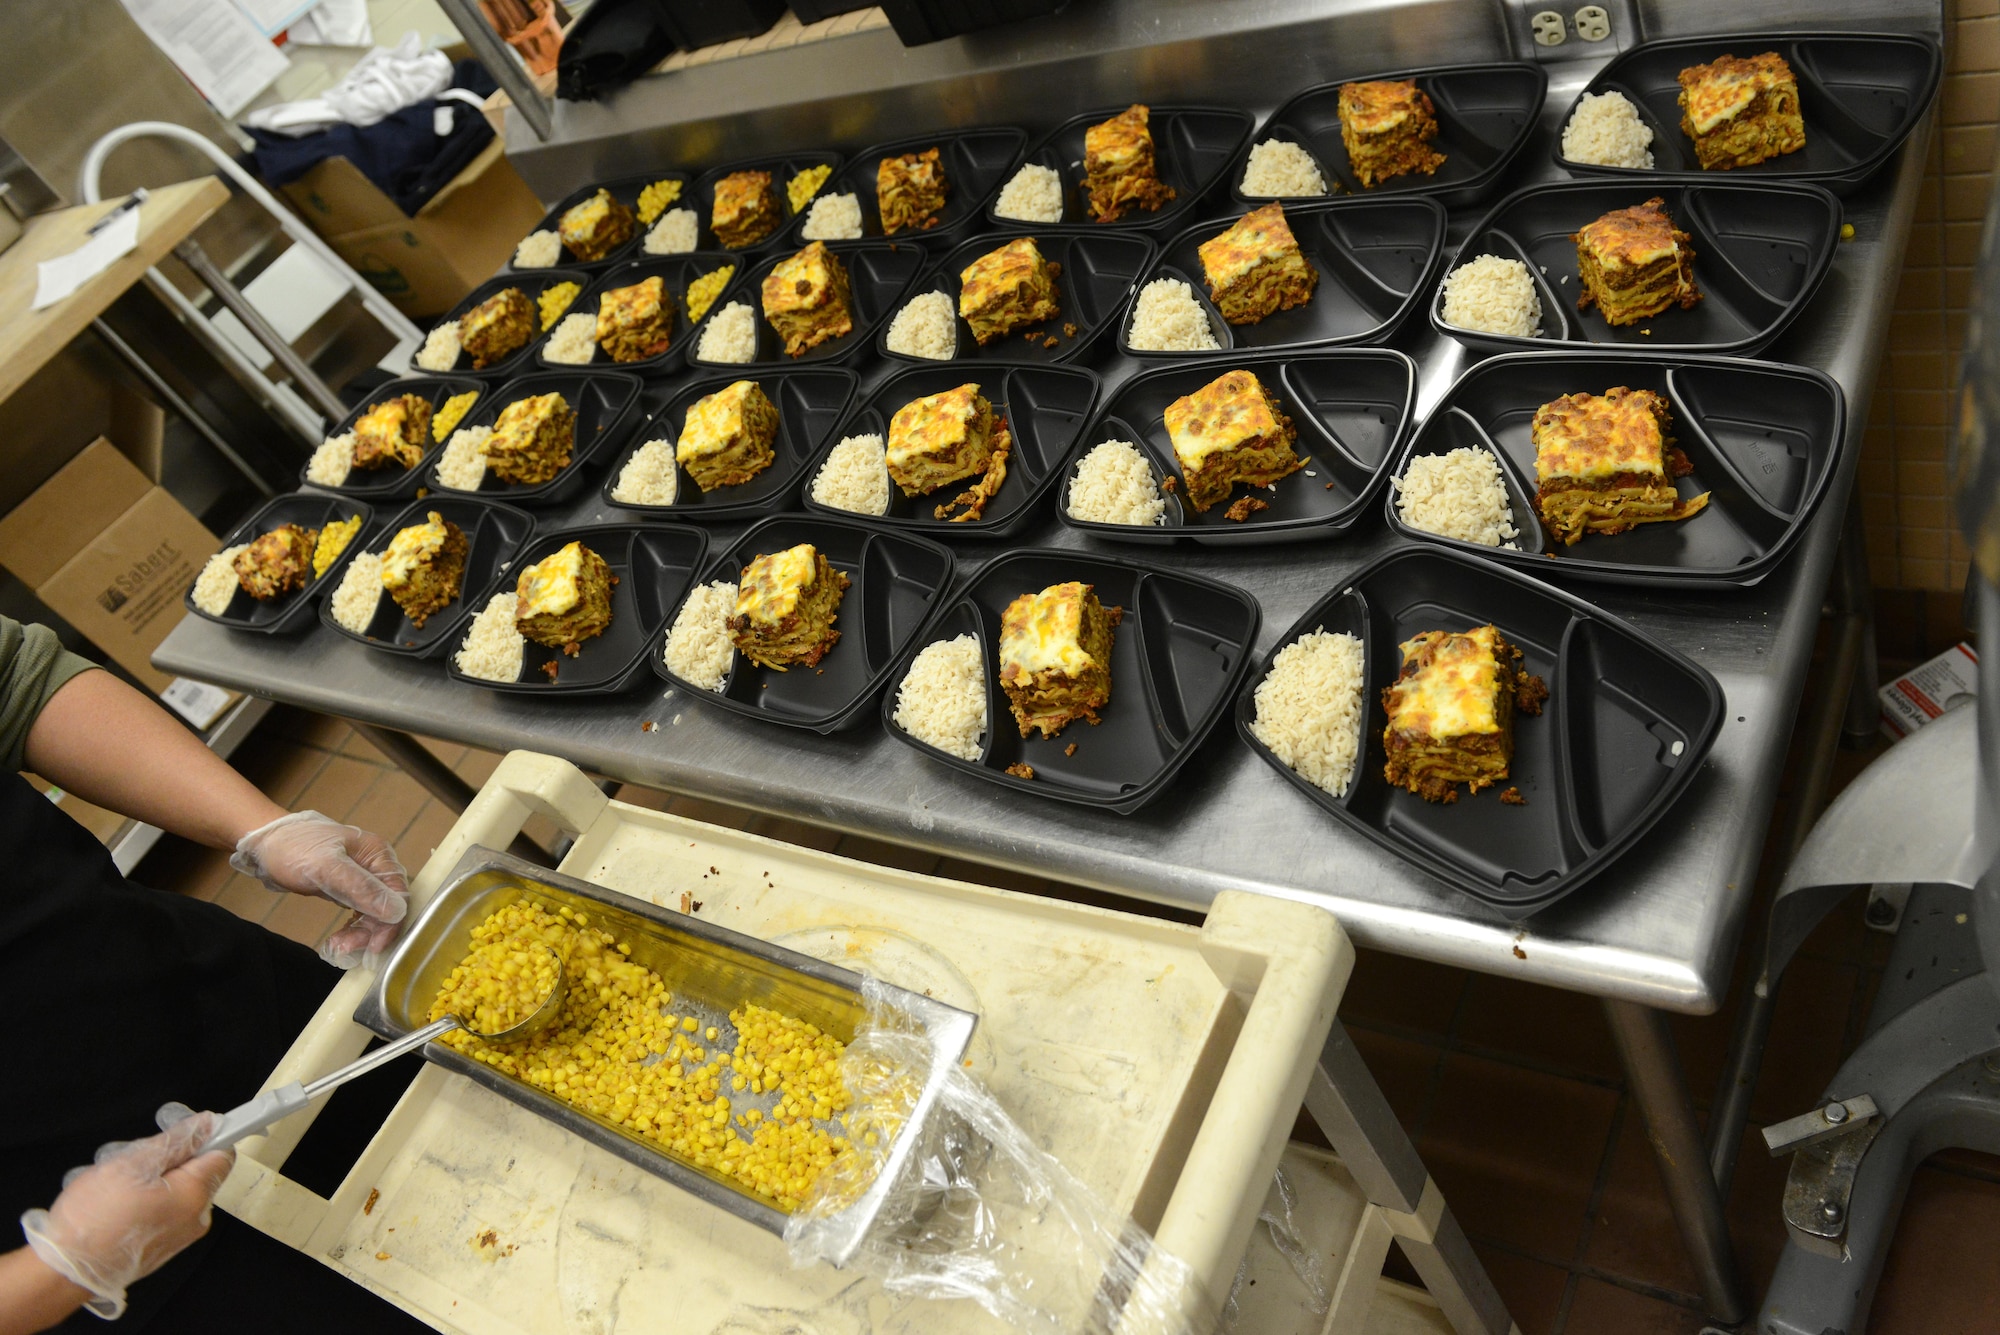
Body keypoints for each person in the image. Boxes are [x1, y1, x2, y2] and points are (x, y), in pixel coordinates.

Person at [0, 617, 430, 1332]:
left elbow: (21, 683)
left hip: (223, 1002)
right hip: (113, 1262)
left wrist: (260, 826)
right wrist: (62, 1268)